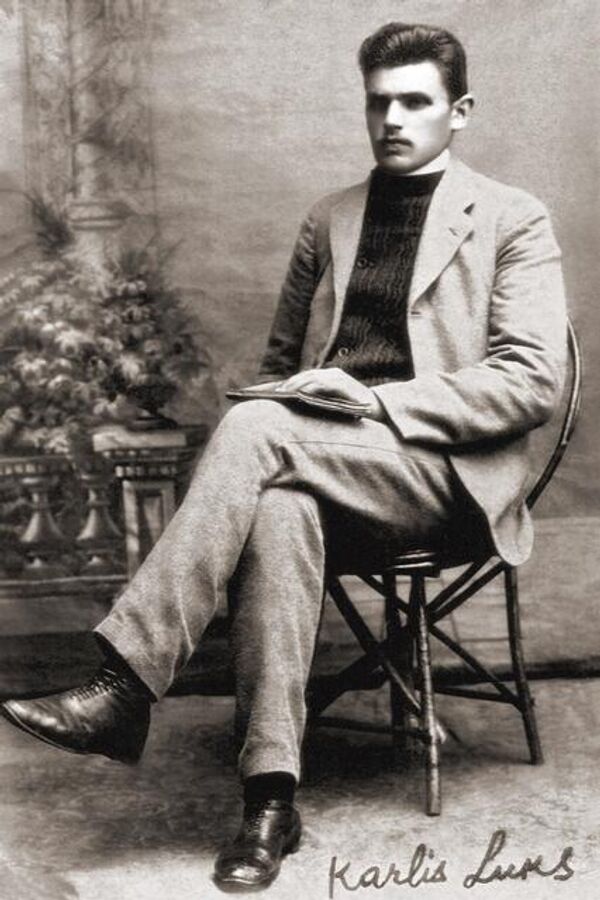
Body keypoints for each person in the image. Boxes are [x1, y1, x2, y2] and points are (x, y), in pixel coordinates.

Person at [1, 21, 567, 892]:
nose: (392, 119)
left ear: (459, 111)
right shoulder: (329, 218)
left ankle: (125, 685)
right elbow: (278, 368)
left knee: (260, 434)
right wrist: (300, 399)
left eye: (415, 102)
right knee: (273, 503)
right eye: (378, 102)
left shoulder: (511, 216)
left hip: (442, 475)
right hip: (323, 466)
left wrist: (375, 401)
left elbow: (531, 383)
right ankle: (270, 802)